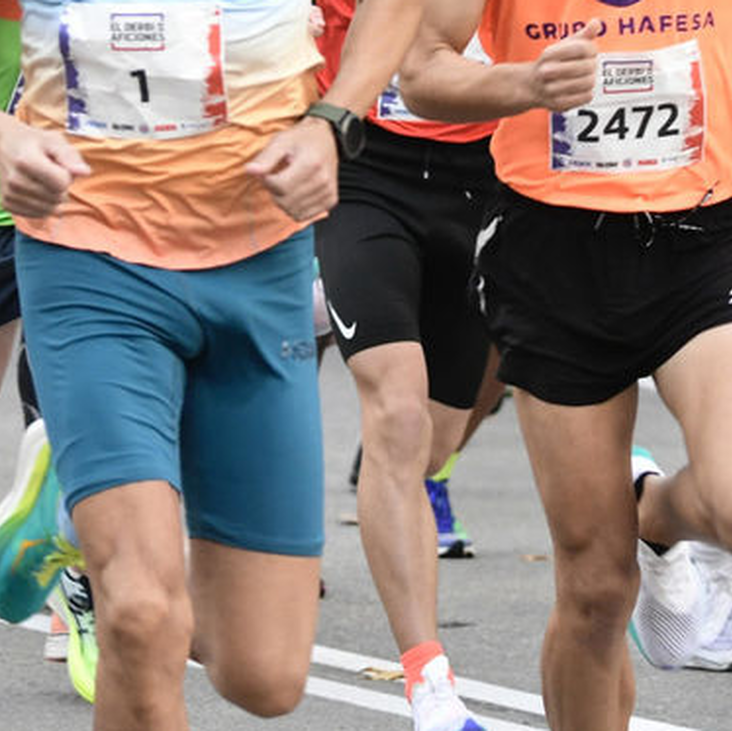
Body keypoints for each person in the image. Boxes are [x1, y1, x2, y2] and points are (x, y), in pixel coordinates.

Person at [400, 1, 732, 727]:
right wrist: (524, 86)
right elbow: (420, 70)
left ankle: (654, 510)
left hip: (706, 232)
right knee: (595, 588)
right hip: (552, 250)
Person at [0, 0, 422, 726]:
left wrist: (335, 121)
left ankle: (70, 503)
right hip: (87, 254)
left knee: (263, 675)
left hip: (259, 258)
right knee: (139, 613)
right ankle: (101, 512)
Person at [313, 2, 496, 726]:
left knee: (433, 440)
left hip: (486, 177)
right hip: (365, 169)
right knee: (395, 411)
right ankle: (430, 679)